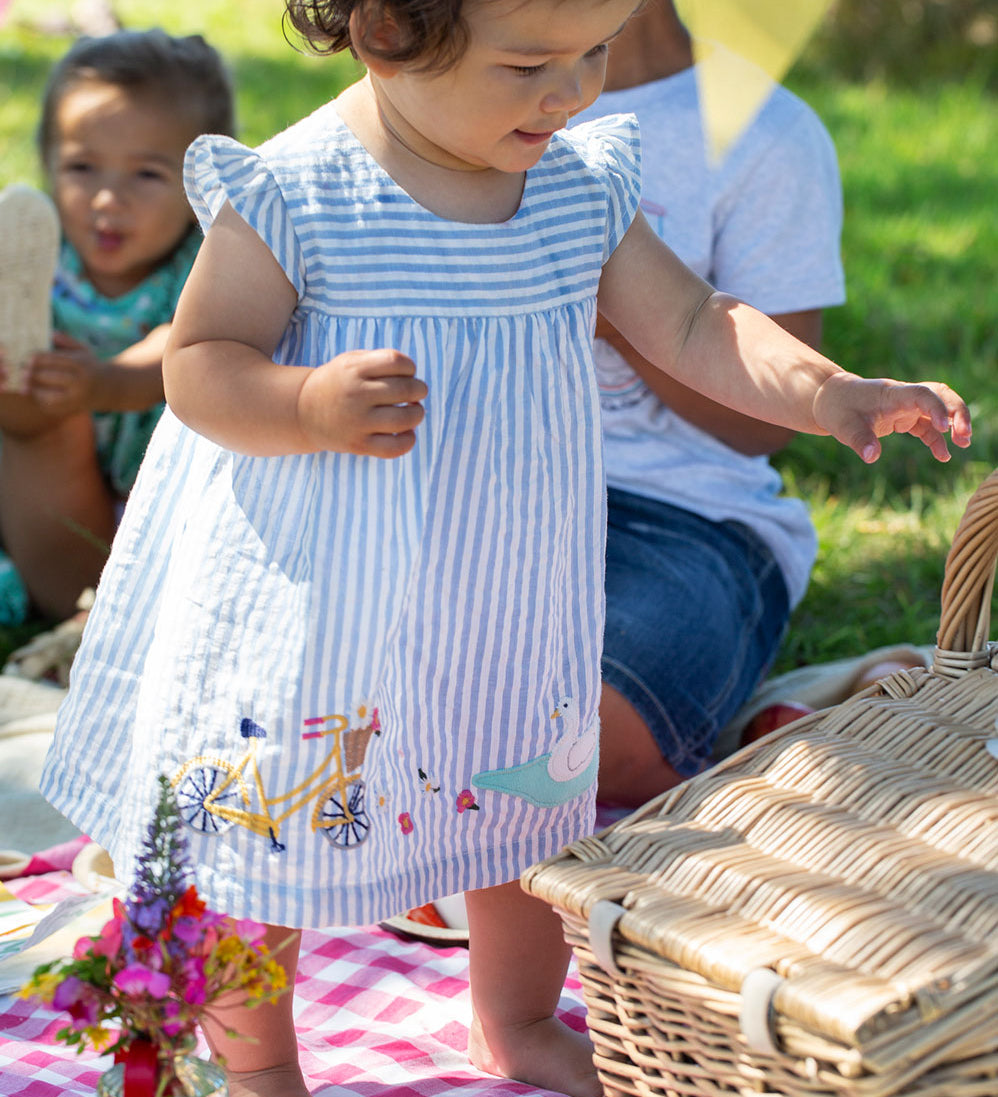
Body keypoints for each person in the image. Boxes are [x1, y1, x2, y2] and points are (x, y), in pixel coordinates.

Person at [40, 0, 970, 1095]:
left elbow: (692, 324)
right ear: (386, 32)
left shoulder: (573, 187)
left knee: (520, 795)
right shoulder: (300, 192)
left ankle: (516, 1017)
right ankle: (260, 1062)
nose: (572, 92)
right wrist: (301, 400)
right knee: (268, 815)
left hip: (507, 576)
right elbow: (199, 362)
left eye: (591, 54)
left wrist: (829, 391)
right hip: (316, 586)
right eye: (531, 63)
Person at [567, 0, 847, 806]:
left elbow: (762, 425)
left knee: (570, 746)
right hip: (485, 498)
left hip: (684, 521)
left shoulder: (764, 134)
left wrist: (619, 312)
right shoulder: (457, 109)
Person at [0, 29, 235, 622]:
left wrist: (105, 381)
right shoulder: (38, 263)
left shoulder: (209, 259)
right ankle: (40, 586)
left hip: (154, 518)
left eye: (147, 175)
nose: (108, 198)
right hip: (46, 496)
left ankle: (95, 612)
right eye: (82, 167)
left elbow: (180, 348)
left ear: (199, 184)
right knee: (30, 408)